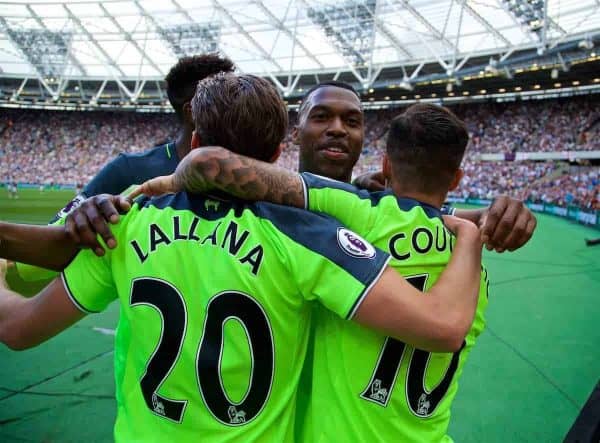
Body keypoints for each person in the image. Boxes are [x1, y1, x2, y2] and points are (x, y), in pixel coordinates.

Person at [0, 73, 483, 441]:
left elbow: (18, 328)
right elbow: (440, 325)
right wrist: (469, 236)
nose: (337, 129)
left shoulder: (129, 220)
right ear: (277, 150)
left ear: (191, 142)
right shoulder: (312, 236)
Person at [131, 103, 492, 442]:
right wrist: (470, 227)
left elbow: (211, 164)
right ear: (457, 178)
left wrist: (174, 182)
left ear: (385, 166)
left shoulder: (362, 213)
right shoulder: (473, 272)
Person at [60, 82, 535, 261]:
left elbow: (440, 218)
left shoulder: (378, 202)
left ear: (367, 139)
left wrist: (502, 212)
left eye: (352, 121)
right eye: (321, 117)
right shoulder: (257, 200)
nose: (337, 130)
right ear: (296, 132)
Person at [12, 54, 235, 280]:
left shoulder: (252, 174)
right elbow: (58, 238)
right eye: (230, 97)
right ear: (192, 112)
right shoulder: (130, 170)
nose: (241, 103)